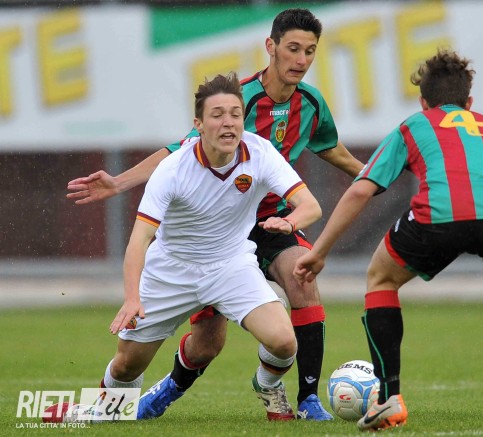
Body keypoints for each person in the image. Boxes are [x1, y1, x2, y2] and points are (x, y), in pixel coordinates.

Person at [66, 8, 363, 421]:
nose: (301, 59)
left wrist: (373, 177)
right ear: (271, 47)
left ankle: (301, 397)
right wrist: (120, 183)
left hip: (258, 232)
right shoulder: (224, 114)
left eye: (309, 51)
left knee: (299, 290)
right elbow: (171, 162)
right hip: (193, 249)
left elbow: (329, 158)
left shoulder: (300, 114)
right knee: (202, 344)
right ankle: (133, 399)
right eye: (293, 48)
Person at [293, 49, 483, 432]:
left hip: (439, 217)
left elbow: (360, 190)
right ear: (469, 102)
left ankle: (389, 398)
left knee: (381, 279)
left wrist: (320, 252)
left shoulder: (414, 126)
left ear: (424, 102)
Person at [44, 72, 322, 424]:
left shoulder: (261, 153)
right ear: (198, 125)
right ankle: (105, 409)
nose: (228, 123)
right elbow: (139, 240)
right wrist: (132, 298)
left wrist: (291, 222)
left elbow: (310, 206)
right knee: (128, 365)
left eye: (235, 114)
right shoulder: (173, 169)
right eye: (217, 115)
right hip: (171, 271)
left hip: (231, 266)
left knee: (284, 341)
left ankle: (267, 386)